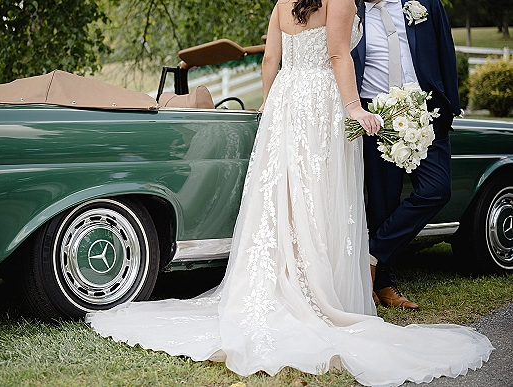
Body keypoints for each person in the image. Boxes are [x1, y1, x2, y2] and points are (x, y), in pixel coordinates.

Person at [87, 1, 492, 385]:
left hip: (285, 102)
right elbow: (338, 55)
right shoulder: (342, 1)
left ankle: (286, 277)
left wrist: (270, 103)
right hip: (323, 103)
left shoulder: (283, 2)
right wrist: (354, 107)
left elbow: (269, 60)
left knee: (284, 195)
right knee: (320, 195)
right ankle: (320, 289)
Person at [351, 0, 459, 309]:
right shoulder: (349, 11)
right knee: (383, 203)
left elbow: (444, 50)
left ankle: (371, 256)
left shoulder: (423, 4)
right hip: (376, 116)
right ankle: (384, 284)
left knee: (437, 189)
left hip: (424, 110)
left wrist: (449, 105)